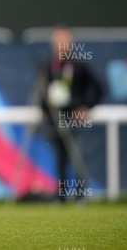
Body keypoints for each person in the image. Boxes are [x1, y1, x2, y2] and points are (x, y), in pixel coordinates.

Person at [37, 25, 104, 202]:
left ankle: (81, 196)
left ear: (70, 42)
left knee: (78, 158)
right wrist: (43, 110)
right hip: (55, 120)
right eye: (57, 40)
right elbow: (43, 92)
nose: (60, 44)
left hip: (74, 121)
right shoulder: (47, 67)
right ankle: (60, 197)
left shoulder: (79, 65)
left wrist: (86, 107)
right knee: (60, 161)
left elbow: (99, 88)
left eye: (63, 40)